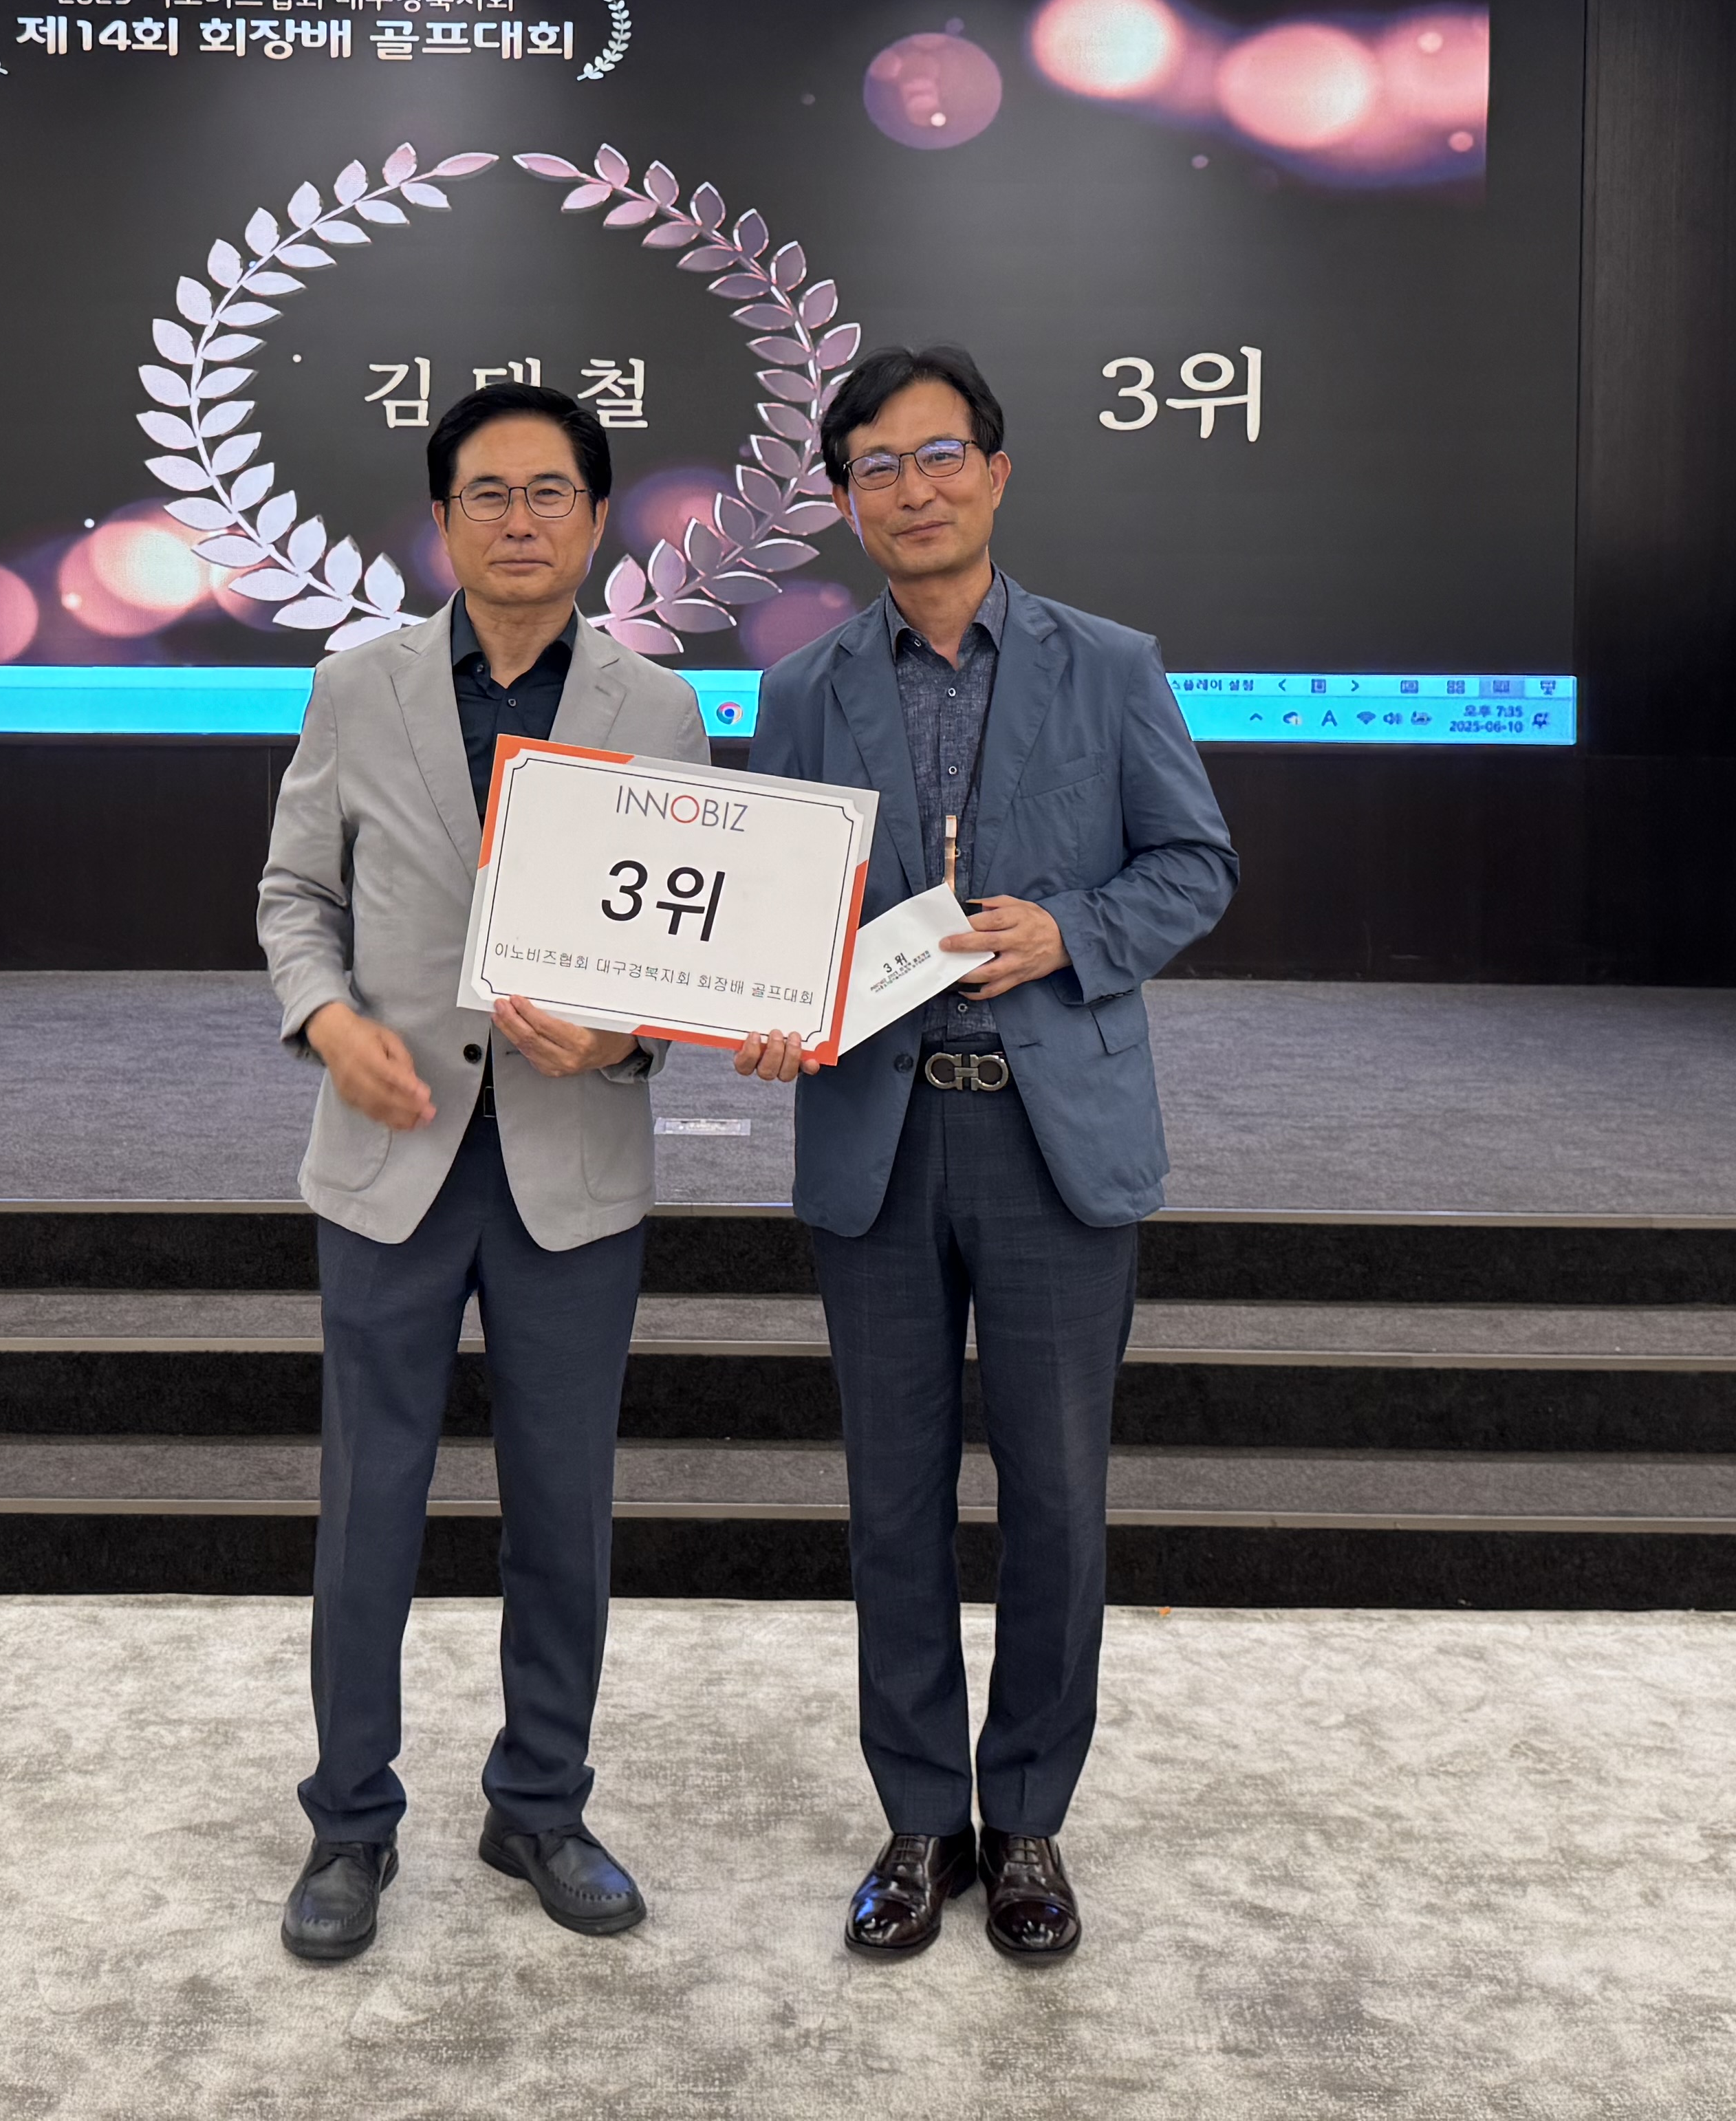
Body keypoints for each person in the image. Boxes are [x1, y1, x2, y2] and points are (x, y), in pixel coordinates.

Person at [732, 345, 1237, 1966]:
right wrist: (762, 1001)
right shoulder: (804, 690)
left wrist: (1071, 930)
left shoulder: (1111, 665)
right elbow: (770, 910)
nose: (913, 488)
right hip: (876, 1137)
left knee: (1058, 1499)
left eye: (940, 455)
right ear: (843, 501)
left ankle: (1025, 1822)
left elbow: (1194, 864)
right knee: (891, 1500)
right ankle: (917, 1823)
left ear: (998, 474)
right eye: (876, 466)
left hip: (1051, 1134)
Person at [255, 380, 713, 1964]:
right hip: (391, 1155)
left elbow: (684, 948)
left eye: (550, 492)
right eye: (488, 494)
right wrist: (327, 1021)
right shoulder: (355, 687)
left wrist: (627, 1035)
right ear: (443, 518)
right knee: (369, 1503)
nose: (521, 521)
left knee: (563, 1510)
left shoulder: (659, 710)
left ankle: (541, 1804)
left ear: (598, 517)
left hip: (571, 1166)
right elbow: (296, 895)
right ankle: (348, 1822)